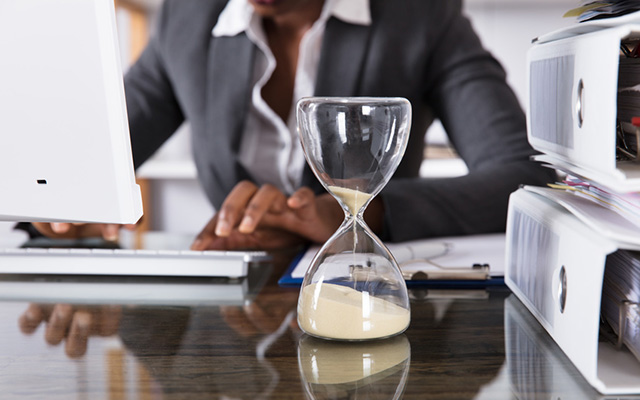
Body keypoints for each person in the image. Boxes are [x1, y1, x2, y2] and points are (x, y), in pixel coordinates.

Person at [34, 0, 554, 250]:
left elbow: (521, 173)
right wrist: (66, 202)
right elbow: (90, 161)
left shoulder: (422, 17)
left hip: (363, 297)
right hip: (228, 319)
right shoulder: (186, 19)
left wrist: (362, 215)